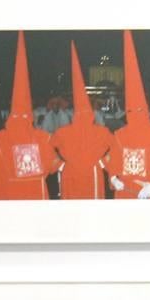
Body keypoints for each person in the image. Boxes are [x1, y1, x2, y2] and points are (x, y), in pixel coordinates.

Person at [0, 31, 59, 200]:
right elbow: (51, 167)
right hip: (37, 198)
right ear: (30, 114)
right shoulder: (43, 138)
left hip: (9, 200)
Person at [108, 30, 150, 200]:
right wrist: (113, 178)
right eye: (130, 111)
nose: (135, 115)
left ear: (145, 111)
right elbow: (113, 161)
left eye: (138, 111)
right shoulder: (119, 135)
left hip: (148, 193)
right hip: (123, 193)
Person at [52, 41, 117, 200]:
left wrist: (59, 165)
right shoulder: (102, 131)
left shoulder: (62, 132)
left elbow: (46, 148)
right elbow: (117, 148)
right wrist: (103, 163)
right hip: (90, 172)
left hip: (73, 174)